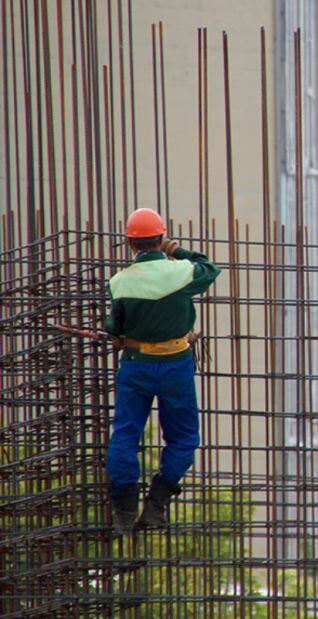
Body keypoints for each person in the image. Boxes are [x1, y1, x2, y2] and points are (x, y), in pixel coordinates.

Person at [105, 208, 221, 534]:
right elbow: (210, 268)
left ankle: (124, 510)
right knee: (184, 438)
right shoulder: (181, 272)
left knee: (125, 436)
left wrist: (116, 333)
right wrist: (176, 250)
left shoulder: (119, 282)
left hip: (136, 364)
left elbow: (116, 325)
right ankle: (156, 503)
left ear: (130, 243)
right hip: (175, 364)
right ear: (161, 237)